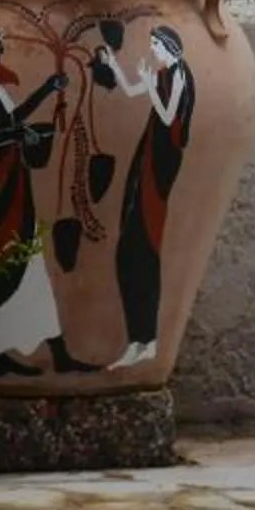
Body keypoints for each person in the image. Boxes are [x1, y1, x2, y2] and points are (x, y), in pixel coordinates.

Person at [0, 25, 90, 374]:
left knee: (30, 270)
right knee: (1, 270)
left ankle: (56, 353)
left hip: (13, 189)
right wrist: (12, 135)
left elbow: (11, 121)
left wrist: (45, 92)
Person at [92, 22, 194, 369]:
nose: (151, 50)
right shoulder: (164, 74)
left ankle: (147, 341)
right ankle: (138, 340)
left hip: (161, 166)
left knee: (143, 246)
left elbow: (168, 117)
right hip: (147, 158)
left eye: (155, 44)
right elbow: (134, 90)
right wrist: (113, 65)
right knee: (129, 249)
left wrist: (151, 86)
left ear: (169, 46)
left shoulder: (180, 75)